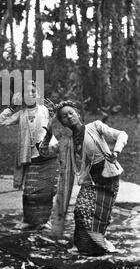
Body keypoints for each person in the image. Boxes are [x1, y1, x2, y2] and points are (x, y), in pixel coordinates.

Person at [43, 100, 128, 256]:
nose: (69, 117)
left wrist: (116, 151)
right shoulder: (67, 141)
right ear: (62, 122)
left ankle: (98, 246)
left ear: (77, 114)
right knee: (80, 211)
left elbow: (122, 134)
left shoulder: (95, 126)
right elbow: (45, 151)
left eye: (71, 113)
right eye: (64, 116)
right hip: (90, 180)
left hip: (108, 177)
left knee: (100, 214)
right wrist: (48, 135)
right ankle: (85, 247)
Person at [0, 81, 59, 230]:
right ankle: (28, 220)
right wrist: (12, 107)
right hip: (32, 157)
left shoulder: (44, 110)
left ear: (37, 94)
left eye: (33, 91)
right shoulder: (21, 113)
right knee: (29, 189)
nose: (30, 94)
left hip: (48, 155)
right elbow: (0, 122)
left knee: (47, 190)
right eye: (26, 92)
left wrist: (55, 112)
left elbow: (59, 121)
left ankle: (45, 220)